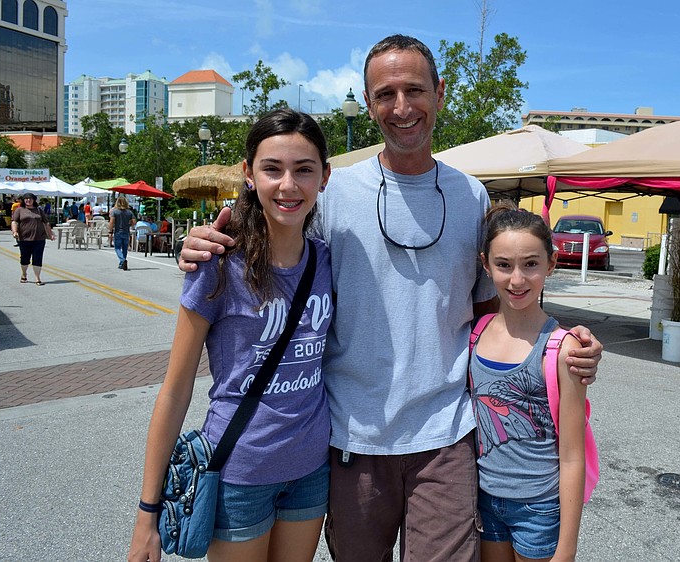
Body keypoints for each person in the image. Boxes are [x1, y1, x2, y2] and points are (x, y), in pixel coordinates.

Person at [179, 35, 603, 561]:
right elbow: (276, 242)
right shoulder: (333, 194)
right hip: (352, 437)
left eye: (414, 90)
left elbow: (496, 302)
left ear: (440, 93)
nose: (401, 108)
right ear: (367, 100)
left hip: (447, 436)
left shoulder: (470, 195)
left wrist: (562, 341)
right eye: (385, 94)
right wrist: (205, 242)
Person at [128, 109, 334, 562]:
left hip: (310, 468)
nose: (288, 185)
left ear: (324, 176)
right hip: (239, 471)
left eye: (304, 170)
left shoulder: (328, 261)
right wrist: (147, 511)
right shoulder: (218, 264)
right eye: (272, 169)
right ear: (248, 174)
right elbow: (175, 388)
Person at [470, 203, 587, 562]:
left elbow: (571, 456)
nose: (516, 279)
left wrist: (566, 549)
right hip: (485, 500)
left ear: (551, 265)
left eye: (530, 264)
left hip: (539, 508)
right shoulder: (475, 333)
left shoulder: (562, 348)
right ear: (485, 264)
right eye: (504, 265)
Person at [11, 192, 55, 286]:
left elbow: (46, 223)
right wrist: (15, 232)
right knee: (25, 258)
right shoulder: (19, 210)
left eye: (30, 198)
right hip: (24, 239)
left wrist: (50, 234)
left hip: (39, 238)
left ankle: (37, 278)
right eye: (26, 198)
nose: (28, 200)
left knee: (38, 258)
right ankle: (24, 274)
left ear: (34, 200)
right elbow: (14, 222)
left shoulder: (39, 210)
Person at [109, 196, 136, 270]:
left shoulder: (115, 212)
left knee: (117, 248)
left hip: (118, 232)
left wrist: (110, 231)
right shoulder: (129, 212)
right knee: (125, 248)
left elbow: (111, 222)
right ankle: (122, 264)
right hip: (126, 232)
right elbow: (134, 222)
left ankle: (122, 260)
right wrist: (129, 225)